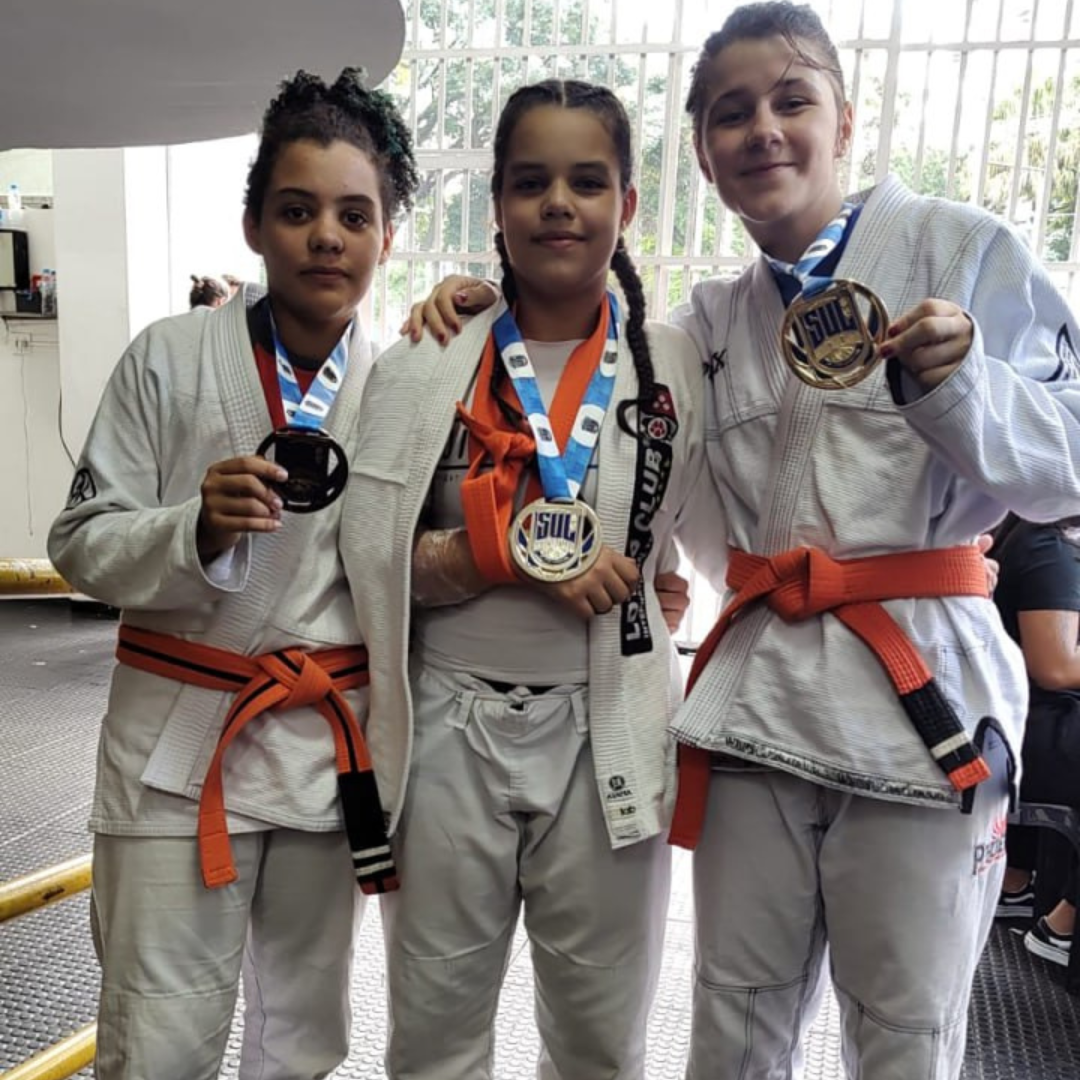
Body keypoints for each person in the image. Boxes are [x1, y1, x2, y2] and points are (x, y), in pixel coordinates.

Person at [407, 4, 1080, 1076]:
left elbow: (1065, 463)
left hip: (919, 709)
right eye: (731, 114)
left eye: (791, 101)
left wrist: (968, 384)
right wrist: (483, 307)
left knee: (904, 1034)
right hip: (764, 707)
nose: (763, 129)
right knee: (732, 1023)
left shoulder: (963, 249)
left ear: (845, 122)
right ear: (705, 159)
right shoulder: (710, 323)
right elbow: (670, 481)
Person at [47, 68, 417, 1080]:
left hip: (320, 757)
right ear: (254, 225)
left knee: (302, 1039)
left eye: (354, 216)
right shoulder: (167, 358)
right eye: (297, 211)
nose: (326, 237)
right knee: (158, 1040)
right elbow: (80, 543)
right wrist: (194, 531)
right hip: (177, 753)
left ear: (387, 237)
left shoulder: (402, 383)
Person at [341, 78, 713, 1080]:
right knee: (432, 1040)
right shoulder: (428, 357)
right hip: (446, 731)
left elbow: (694, 530)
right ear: (497, 203)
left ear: (627, 203)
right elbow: (367, 558)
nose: (559, 205)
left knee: (600, 1045)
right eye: (530, 181)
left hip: (609, 732)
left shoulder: (673, 365)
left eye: (587, 182)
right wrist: (484, 554)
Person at [993, 514, 1080, 966]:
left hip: (1020, 721)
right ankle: (1063, 924)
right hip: (1033, 730)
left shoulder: (1033, 536)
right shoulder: (1050, 548)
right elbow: (1056, 668)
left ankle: (1015, 881)